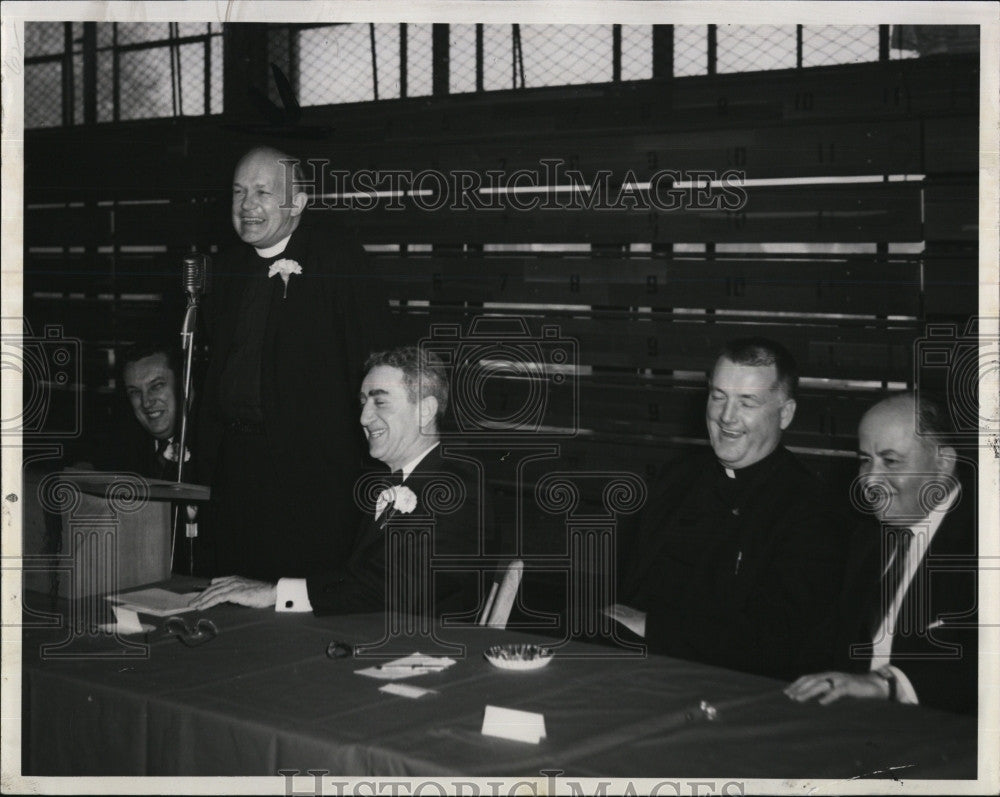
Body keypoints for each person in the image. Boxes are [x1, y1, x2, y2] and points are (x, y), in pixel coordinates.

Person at [197, 145, 394, 581]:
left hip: (314, 479)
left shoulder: (339, 261)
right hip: (237, 471)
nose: (247, 205)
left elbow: (375, 365)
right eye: (238, 192)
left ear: (298, 202)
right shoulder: (225, 269)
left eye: (263, 192)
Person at [605, 337, 847, 680]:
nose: (725, 417)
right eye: (718, 397)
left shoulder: (810, 510)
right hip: (635, 669)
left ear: (785, 414)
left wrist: (653, 627)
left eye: (747, 402)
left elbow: (776, 643)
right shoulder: (677, 479)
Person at [191, 346, 483, 619]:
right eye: (363, 403)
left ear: (426, 410)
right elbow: (357, 579)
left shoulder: (456, 489)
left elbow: (396, 590)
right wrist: (272, 589)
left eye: (380, 402)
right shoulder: (391, 480)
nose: (364, 417)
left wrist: (275, 593)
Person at [785, 393, 977, 714]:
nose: (870, 481)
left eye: (890, 461)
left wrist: (887, 684)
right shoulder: (861, 532)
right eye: (864, 460)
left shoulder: (983, 539)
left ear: (943, 464)